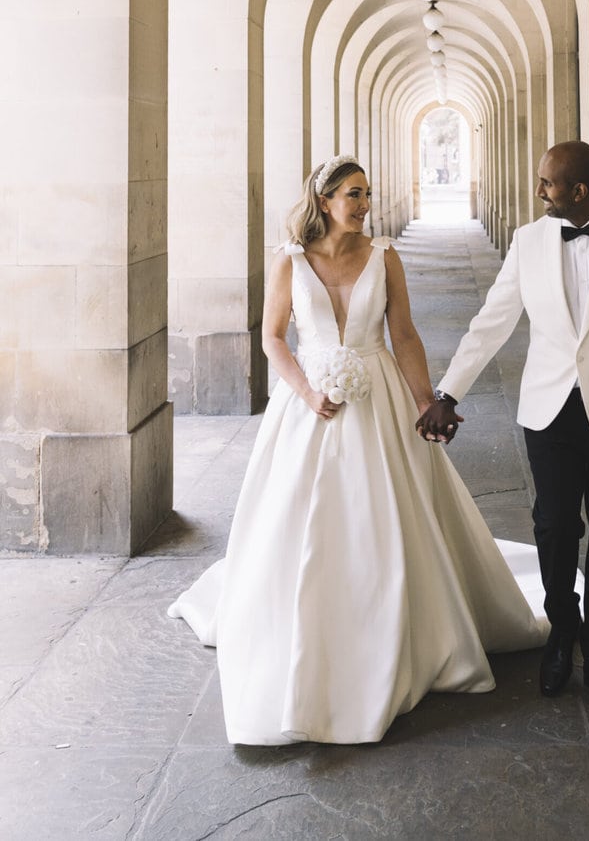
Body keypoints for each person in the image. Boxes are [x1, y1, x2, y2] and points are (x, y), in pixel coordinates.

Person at [168, 155, 545, 745]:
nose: (363, 204)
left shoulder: (384, 256)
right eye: (351, 194)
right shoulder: (290, 262)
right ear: (324, 201)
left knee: (388, 513)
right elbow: (272, 338)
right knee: (299, 518)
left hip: (380, 397)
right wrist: (306, 391)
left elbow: (405, 335)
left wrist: (427, 402)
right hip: (309, 402)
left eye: (367, 193)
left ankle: (400, 630)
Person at [417, 140, 589, 716]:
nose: (539, 189)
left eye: (549, 183)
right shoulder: (528, 241)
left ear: (581, 191)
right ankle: (561, 632)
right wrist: (448, 392)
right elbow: (492, 321)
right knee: (554, 526)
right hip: (549, 412)